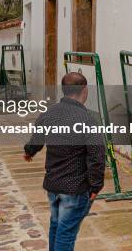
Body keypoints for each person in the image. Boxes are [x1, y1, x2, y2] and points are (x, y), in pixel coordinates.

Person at [24, 72, 105, 251]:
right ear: (85, 90)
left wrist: (29, 152)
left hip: (53, 184)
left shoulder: (49, 113)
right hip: (75, 187)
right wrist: (96, 185)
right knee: (66, 233)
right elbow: (96, 156)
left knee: (56, 226)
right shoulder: (88, 120)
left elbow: (36, 139)